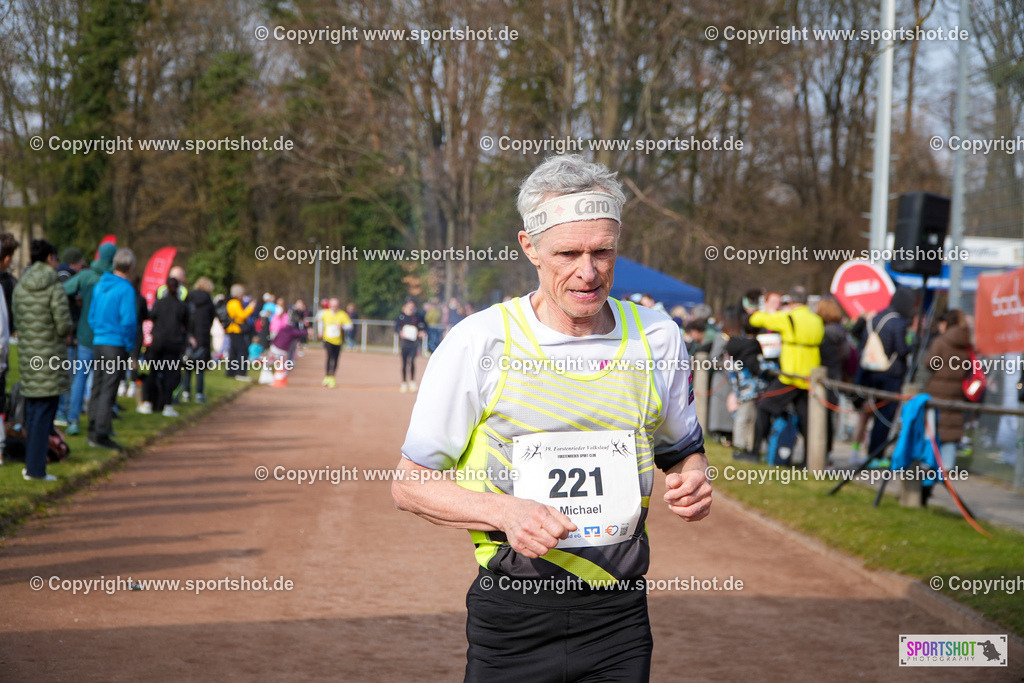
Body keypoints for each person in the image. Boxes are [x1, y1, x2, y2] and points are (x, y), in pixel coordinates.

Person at [392, 154, 711, 680]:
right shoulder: (479, 341)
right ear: (530, 248)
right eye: (568, 253)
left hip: (620, 618)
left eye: (603, 252)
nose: (588, 272)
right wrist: (505, 513)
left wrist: (694, 481)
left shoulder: (658, 336)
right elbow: (409, 486)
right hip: (513, 618)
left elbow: (682, 451)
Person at [743, 287, 824, 463]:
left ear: (791, 302)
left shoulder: (788, 318)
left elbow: (756, 319)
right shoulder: (817, 319)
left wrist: (768, 309)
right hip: (809, 376)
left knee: (763, 407)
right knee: (806, 420)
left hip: (791, 376)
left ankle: (755, 452)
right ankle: (809, 461)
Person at [13, 239, 73, 481]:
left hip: (29, 356)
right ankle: (36, 469)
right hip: (50, 357)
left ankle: (31, 465)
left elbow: (18, 320)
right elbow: (63, 324)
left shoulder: (20, 286)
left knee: (33, 413)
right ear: (50, 258)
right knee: (45, 414)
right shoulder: (54, 286)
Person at [62, 242, 117, 436]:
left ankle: (73, 419)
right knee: (104, 382)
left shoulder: (86, 276)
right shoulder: (115, 278)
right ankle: (101, 422)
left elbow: (62, 290)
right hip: (109, 337)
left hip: (86, 334)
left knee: (80, 377)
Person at [856, 288, 915, 465]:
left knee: (873, 415)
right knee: (885, 417)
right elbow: (901, 349)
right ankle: (876, 455)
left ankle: (870, 453)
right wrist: (913, 344)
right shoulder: (898, 323)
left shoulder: (875, 318)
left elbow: (862, 342)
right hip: (891, 375)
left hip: (871, 373)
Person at [87, 248, 138, 450]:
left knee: (97, 387)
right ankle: (101, 433)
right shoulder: (125, 289)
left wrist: (99, 330)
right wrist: (130, 344)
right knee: (109, 389)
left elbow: (92, 315)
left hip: (99, 341)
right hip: (115, 343)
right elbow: (129, 322)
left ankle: (93, 430)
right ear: (131, 267)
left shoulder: (100, 285)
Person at [922, 309, 972, 484]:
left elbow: (930, 363)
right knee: (951, 431)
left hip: (937, 391)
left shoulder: (941, 341)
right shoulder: (967, 343)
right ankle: (947, 471)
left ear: (946, 324)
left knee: (932, 431)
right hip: (957, 392)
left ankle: (928, 469)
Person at [141, 277, 189, 417]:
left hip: (159, 341)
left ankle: (148, 403)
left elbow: (152, 317)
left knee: (153, 371)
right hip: (174, 343)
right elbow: (186, 325)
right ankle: (167, 405)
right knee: (170, 374)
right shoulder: (181, 305)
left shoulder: (160, 303)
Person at [54, 247, 86, 428]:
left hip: (66, 333)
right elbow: (64, 301)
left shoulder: (61, 275)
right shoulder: (66, 276)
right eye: (80, 261)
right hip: (68, 334)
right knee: (68, 374)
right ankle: (61, 412)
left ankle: (62, 411)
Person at [817, 296, 851, 459]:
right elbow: (846, 354)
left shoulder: (824, 332)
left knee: (820, 417)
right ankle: (827, 453)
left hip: (824, 376)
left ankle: (820, 454)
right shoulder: (840, 331)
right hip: (836, 375)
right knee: (829, 417)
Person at [183, 277, 216, 404]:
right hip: (203, 335)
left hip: (190, 334)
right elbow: (211, 318)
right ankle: (199, 393)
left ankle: (186, 392)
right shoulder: (208, 300)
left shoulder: (189, 297)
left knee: (188, 365)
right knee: (200, 367)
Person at [395, 299, 426, 392]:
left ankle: (412, 381)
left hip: (414, 342)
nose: (411, 307)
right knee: (404, 363)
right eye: (409, 305)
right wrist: (400, 332)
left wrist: (422, 332)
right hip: (405, 342)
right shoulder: (401, 316)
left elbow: (424, 326)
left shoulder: (417, 316)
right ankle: (404, 382)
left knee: (412, 361)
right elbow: (396, 328)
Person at [319, 298, 351, 388]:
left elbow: (350, 326)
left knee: (336, 358)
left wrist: (342, 326)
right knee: (329, 357)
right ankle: (327, 376)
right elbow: (320, 321)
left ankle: (332, 376)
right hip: (328, 339)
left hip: (338, 341)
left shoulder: (342, 314)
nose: (334, 307)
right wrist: (320, 331)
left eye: (335, 306)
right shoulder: (325, 313)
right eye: (332, 306)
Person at [225, 284, 255, 379]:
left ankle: (231, 372)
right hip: (236, 329)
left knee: (233, 351)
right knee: (243, 351)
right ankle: (241, 373)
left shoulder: (230, 302)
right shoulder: (235, 303)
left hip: (232, 329)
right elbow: (242, 315)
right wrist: (251, 307)